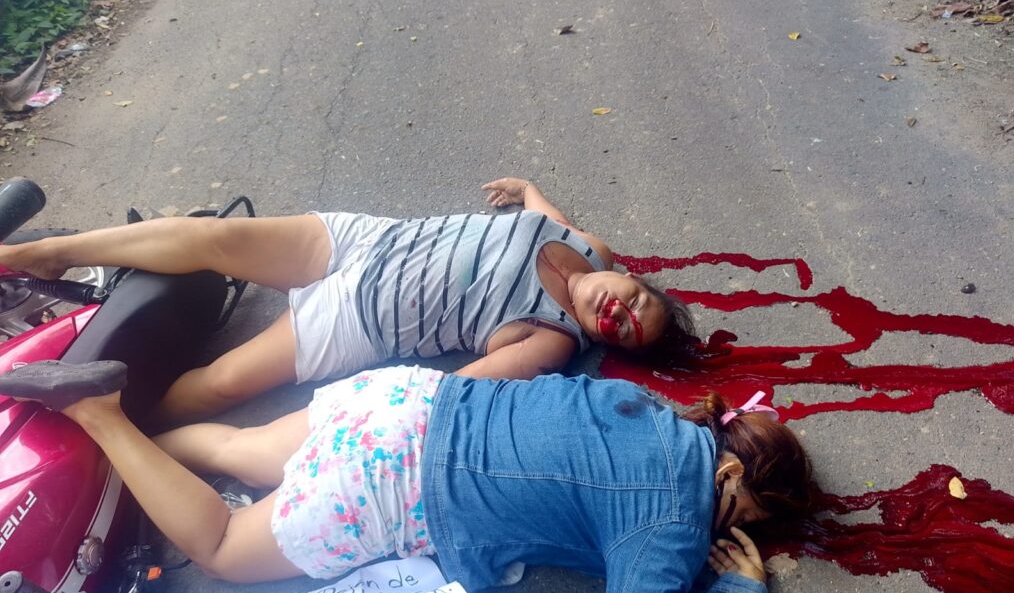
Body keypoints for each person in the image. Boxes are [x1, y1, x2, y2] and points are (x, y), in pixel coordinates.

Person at [0, 359, 812, 593]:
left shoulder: (653, 409)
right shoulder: (674, 518)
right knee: (220, 547)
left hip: (406, 399)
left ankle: (82, 453)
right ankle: (102, 417)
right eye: (736, 515)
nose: (722, 535)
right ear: (729, 473)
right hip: (392, 487)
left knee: (240, 450)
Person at [0, 178, 693, 424]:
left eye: (625, 331)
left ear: (605, 341)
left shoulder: (551, 339)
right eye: (635, 301)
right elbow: (551, 217)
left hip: (360, 319)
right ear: (629, 277)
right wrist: (528, 189)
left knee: (221, 385)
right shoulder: (590, 247)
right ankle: (42, 253)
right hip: (367, 239)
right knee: (212, 236)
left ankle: (89, 421)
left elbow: (456, 390)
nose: (621, 312)